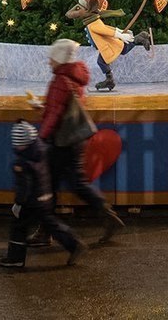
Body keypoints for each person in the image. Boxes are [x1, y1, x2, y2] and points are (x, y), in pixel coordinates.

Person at [36, 39, 125, 243]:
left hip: (60, 140)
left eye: (52, 58)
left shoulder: (60, 80)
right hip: (75, 140)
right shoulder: (75, 76)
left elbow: (55, 113)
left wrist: (42, 137)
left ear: (59, 58)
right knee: (78, 184)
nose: (49, 62)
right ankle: (109, 217)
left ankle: (45, 231)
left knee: (49, 186)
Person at [0, 121, 84, 269]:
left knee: (18, 227)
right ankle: (74, 244)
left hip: (30, 202)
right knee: (52, 224)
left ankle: (15, 258)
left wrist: (18, 204)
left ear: (21, 144)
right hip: (45, 196)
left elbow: (24, 188)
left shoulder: (22, 163)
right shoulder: (42, 151)